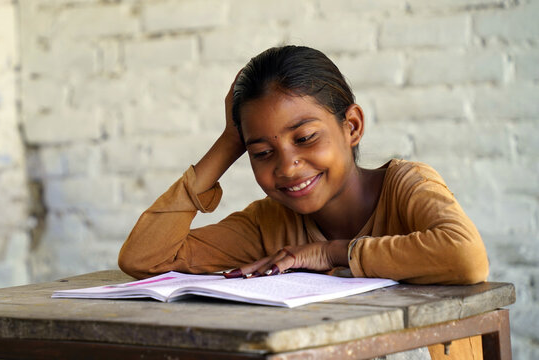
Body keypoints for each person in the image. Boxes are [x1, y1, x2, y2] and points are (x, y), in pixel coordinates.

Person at [119, 45, 489, 360]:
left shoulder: (406, 185)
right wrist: (230, 140)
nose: (287, 166)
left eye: (306, 137)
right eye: (262, 152)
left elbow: (466, 257)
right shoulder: (267, 223)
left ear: (353, 126)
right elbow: (145, 258)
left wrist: (330, 253)